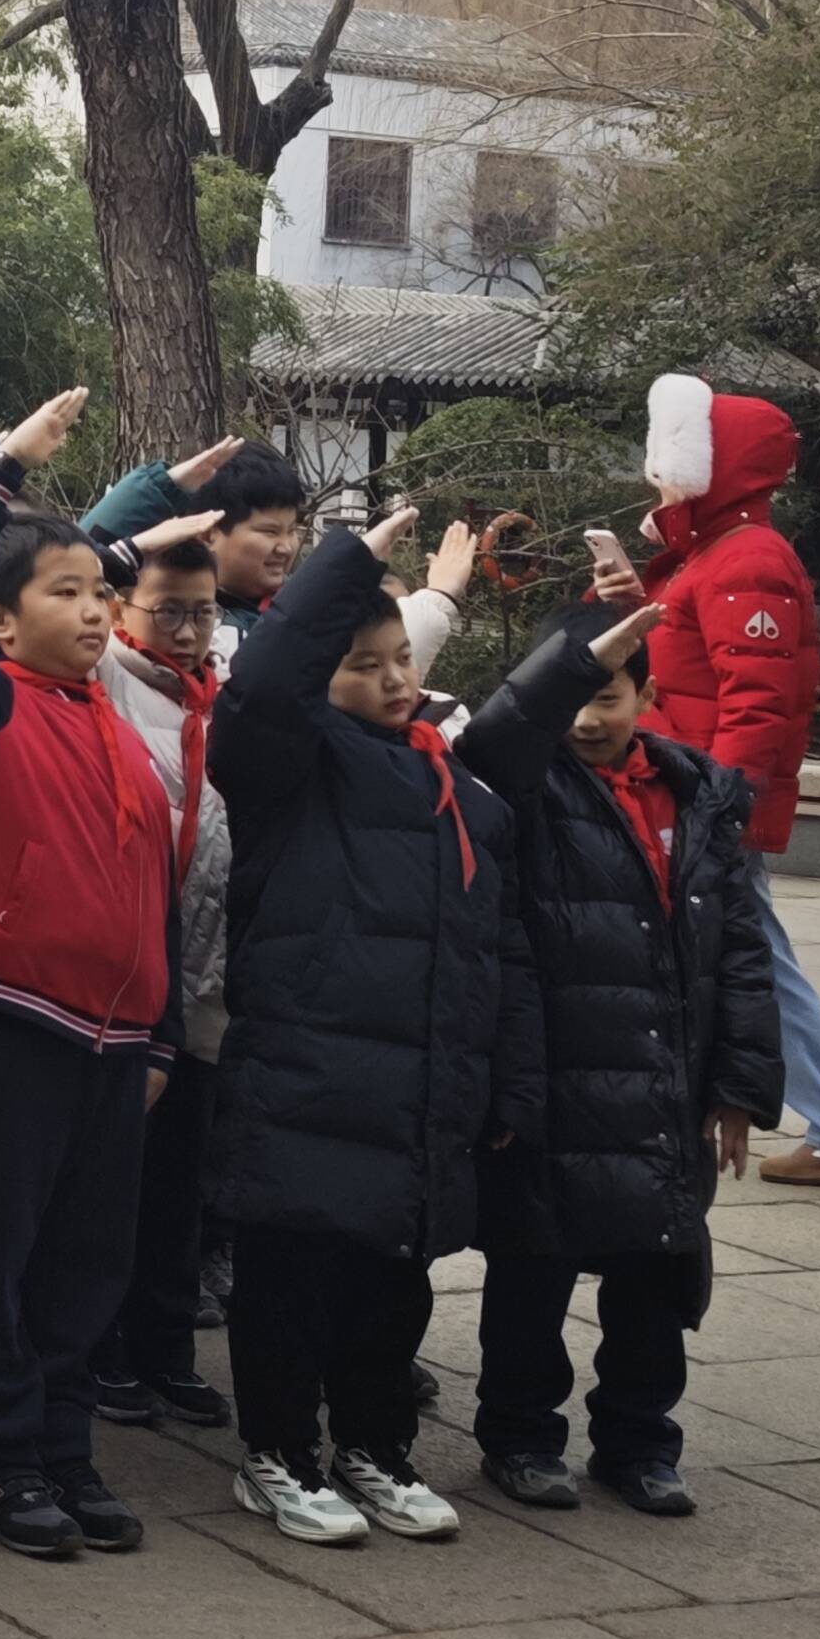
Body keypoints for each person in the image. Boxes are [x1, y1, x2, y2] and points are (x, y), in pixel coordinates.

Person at [210, 506, 534, 1548]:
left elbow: (495, 946)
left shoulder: (451, 777)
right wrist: (347, 562)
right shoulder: (288, 764)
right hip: (306, 1079)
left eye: (402, 659)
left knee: (392, 1287)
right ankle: (277, 1456)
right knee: (290, 1285)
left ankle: (375, 1448)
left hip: (418, 1086)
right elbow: (263, 685)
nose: (396, 680)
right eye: (364, 665)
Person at [0, 388, 179, 1560]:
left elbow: (152, 888)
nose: (91, 610)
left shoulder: (112, 725)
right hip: (10, 1024)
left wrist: (160, 1036)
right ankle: (0, 1458)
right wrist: (0, 466)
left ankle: (65, 1449)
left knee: (86, 1264)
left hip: (118, 1045)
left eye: (97, 592)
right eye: (61, 593)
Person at [457, 600, 781, 1516]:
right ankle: (520, 1435)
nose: (588, 721)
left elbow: (740, 948)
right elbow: (491, 742)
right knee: (534, 1267)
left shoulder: (700, 794)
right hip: (555, 1075)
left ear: (646, 694)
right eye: (571, 699)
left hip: (666, 1082)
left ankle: (639, 1441)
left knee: (656, 1276)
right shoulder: (523, 785)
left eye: (607, 697)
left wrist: (739, 1086)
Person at [616, 379, 820, 1186]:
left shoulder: (746, 559)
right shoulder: (717, 554)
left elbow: (756, 701)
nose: (658, 478)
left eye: (670, 462)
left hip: (706, 797)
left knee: (753, 960)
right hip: (697, 789)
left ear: (712, 466)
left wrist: (720, 806)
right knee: (743, 954)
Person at [84, 528, 236, 1433]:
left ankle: (166, 1347)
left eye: (202, 612)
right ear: (120, 608)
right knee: (114, 1179)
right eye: (167, 610)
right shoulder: (104, 674)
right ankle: (100, 1348)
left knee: (183, 1176)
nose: (185, 630)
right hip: (127, 969)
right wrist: (138, 527)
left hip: (204, 972)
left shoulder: (224, 694)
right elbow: (67, 561)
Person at [86, 433, 311, 653]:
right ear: (208, 533)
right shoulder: (149, 609)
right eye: (270, 532)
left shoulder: (304, 612)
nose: (285, 547)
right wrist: (165, 487)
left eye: (292, 531)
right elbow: (77, 565)